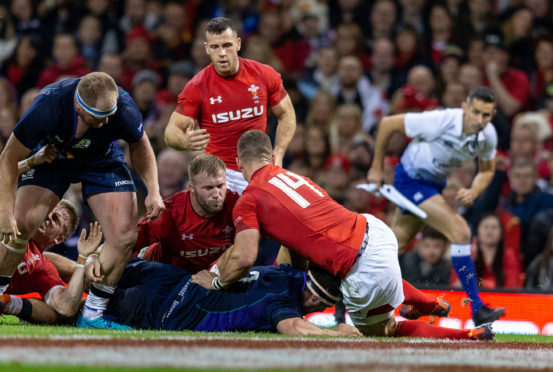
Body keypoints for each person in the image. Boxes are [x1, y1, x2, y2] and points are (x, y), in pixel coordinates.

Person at [191, 130, 494, 341]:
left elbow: (244, 256)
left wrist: (215, 281)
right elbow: (298, 237)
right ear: (271, 155)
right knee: (375, 272)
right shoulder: (295, 176)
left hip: (360, 266)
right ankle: (427, 302)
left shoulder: (250, 198)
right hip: (374, 229)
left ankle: (467, 335)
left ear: (239, 163)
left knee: (385, 331)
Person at [0, 71, 165, 329]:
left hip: (101, 159)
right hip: (52, 157)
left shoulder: (123, 108)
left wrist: (153, 190)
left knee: (124, 236)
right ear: (78, 105)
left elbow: (140, 144)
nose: (107, 120)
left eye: (109, 114)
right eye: (98, 117)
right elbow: (8, 158)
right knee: (22, 222)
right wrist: (4, 212)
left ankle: (93, 315)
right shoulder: (47, 106)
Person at [367, 86, 505, 326]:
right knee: (460, 230)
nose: (480, 120)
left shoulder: (487, 135)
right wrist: (376, 167)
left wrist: (474, 190)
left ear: (492, 115)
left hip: (432, 185)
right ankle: (478, 308)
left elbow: (487, 170)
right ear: (464, 108)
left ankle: (351, 293)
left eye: (486, 115)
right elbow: (388, 123)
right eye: (476, 112)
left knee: (393, 244)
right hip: (410, 180)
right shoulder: (439, 121)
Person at [164, 17, 296, 194]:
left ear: (238, 44)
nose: (222, 53)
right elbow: (171, 132)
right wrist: (184, 141)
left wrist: (278, 152)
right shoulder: (196, 86)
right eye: (215, 47)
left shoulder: (264, 75)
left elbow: (286, 114)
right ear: (206, 49)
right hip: (220, 174)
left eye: (226, 45)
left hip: (259, 168)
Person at [101, 259, 358, 336]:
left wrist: (215, 278)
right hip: (168, 313)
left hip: (174, 278)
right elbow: (294, 326)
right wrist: (339, 335)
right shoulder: (283, 303)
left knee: (100, 268)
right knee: (80, 307)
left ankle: (78, 260)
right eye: (324, 305)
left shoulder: (287, 273)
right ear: (314, 300)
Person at [1, 199, 103, 325]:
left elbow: (66, 308)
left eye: (55, 218)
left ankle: (9, 303)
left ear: (58, 239)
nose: (47, 216)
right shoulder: (14, 215)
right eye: (47, 210)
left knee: (63, 317)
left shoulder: (43, 267)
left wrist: (82, 258)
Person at [134, 153, 240, 272]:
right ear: (191, 188)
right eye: (208, 188)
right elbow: (128, 244)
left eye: (220, 186)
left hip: (212, 276)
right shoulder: (168, 213)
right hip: (165, 274)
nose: (216, 194)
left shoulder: (237, 205)